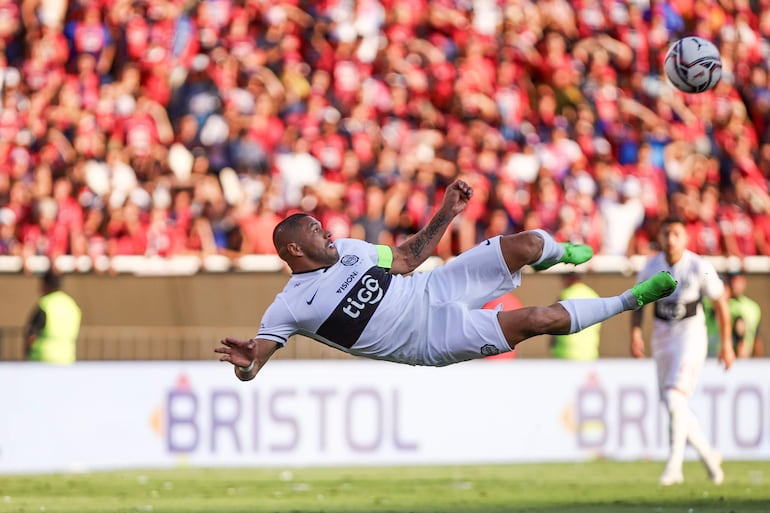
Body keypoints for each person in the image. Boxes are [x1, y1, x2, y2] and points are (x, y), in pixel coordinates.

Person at [216, 180, 676, 381]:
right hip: (430, 339)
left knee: (529, 243)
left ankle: (561, 254)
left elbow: (407, 259)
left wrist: (447, 212)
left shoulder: (352, 249)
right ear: (295, 250)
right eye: (316, 230)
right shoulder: (289, 306)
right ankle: (630, 299)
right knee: (538, 319)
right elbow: (253, 365)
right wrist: (246, 364)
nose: (328, 232)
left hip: (432, 287)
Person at [630, 216, 735, 487]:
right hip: (662, 337)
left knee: (674, 397)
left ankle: (674, 466)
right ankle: (708, 455)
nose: (671, 239)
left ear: (686, 238)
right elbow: (638, 300)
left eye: (676, 234)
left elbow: (720, 302)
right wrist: (636, 332)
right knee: (673, 404)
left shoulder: (699, 266)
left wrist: (726, 344)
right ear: (660, 237)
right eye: (666, 234)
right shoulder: (651, 266)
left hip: (690, 336)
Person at [24, 269, 82, 364]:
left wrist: (26, 353)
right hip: (66, 359)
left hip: (42, 360)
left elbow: (32, 335)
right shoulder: (71, 305)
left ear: (45, 284)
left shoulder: (45, 304)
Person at [550, 273, 601, 360]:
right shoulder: (593, 295)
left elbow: (554, 321)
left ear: (569, 278)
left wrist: (552, 344)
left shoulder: (566, 294)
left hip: (565, 352)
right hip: (589, 353)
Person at [725, 272, 763, 358]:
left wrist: (759, 361)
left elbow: (757, 337)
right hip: (718, 358)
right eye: (732, 280)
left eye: (738, 280)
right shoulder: (720, 305)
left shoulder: (753, 307)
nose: (734, 284)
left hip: (744, 358)